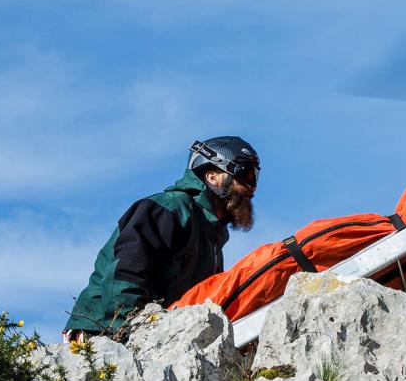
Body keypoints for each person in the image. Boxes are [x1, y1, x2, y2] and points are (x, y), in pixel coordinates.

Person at [63, 136, 260, 340]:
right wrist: (128, 332)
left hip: (158, 335)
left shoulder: (212, 235)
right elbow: (126, 272)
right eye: (245, 174)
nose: (252, 187)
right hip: (103, 331)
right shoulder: (168, 208)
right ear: (212, 176)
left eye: (255, 176)